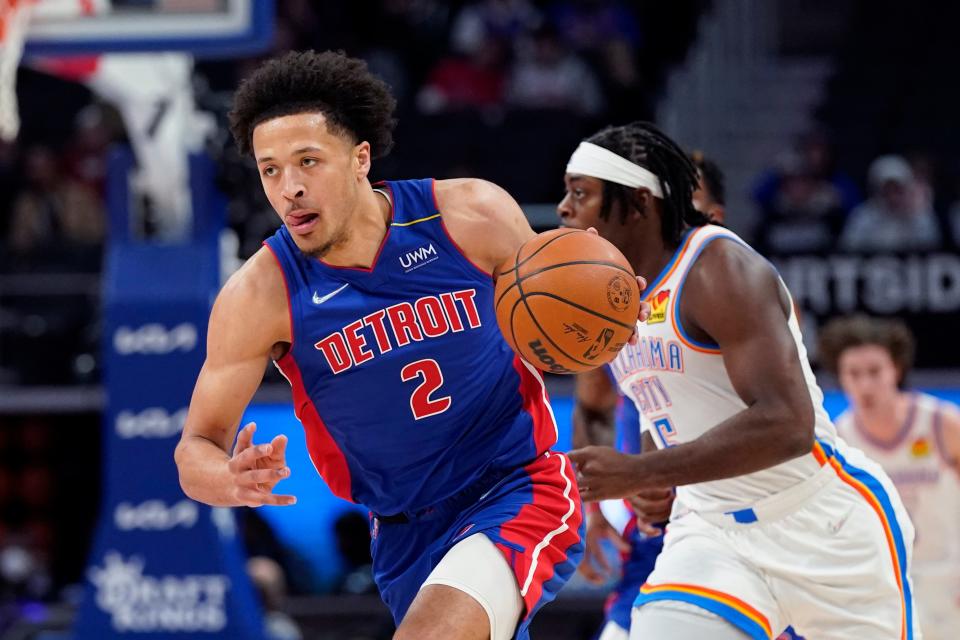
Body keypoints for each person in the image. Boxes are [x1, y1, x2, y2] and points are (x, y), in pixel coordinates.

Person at [174, 50, 588, 640]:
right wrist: (228, 479)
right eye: (270, 170)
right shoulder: (259, 293)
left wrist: (587, 290)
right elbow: (194, 449)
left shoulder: (470, 215)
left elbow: (562, 324)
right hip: (401, 532)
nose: (289, 188)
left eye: (308, 161)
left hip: (516, 486)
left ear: (360, 158)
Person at [560, 121, 919, 639]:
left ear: (638, 203)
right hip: (712, 530)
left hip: (822, 523)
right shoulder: (603, 294)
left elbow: (787, 424)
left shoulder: (718, 268)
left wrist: (642, 470)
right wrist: (655, 475)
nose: (565, 208)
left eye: (580, 193)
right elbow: (663, 399)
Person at [575, 150, 728, 640]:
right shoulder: (615, 306)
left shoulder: (744, 298)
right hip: (652, 537)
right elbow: (593, 404)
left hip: (735, 520)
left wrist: (651, 469)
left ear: (714, 217)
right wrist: (594, 510)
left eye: (684, 200)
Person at [820, 314, 960, 640]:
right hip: (886, 587)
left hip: (950, 578)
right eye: (853, 374)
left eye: (874, 372)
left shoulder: (942, 425)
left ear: (895, 370)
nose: (865, 384)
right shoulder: (839, 441)